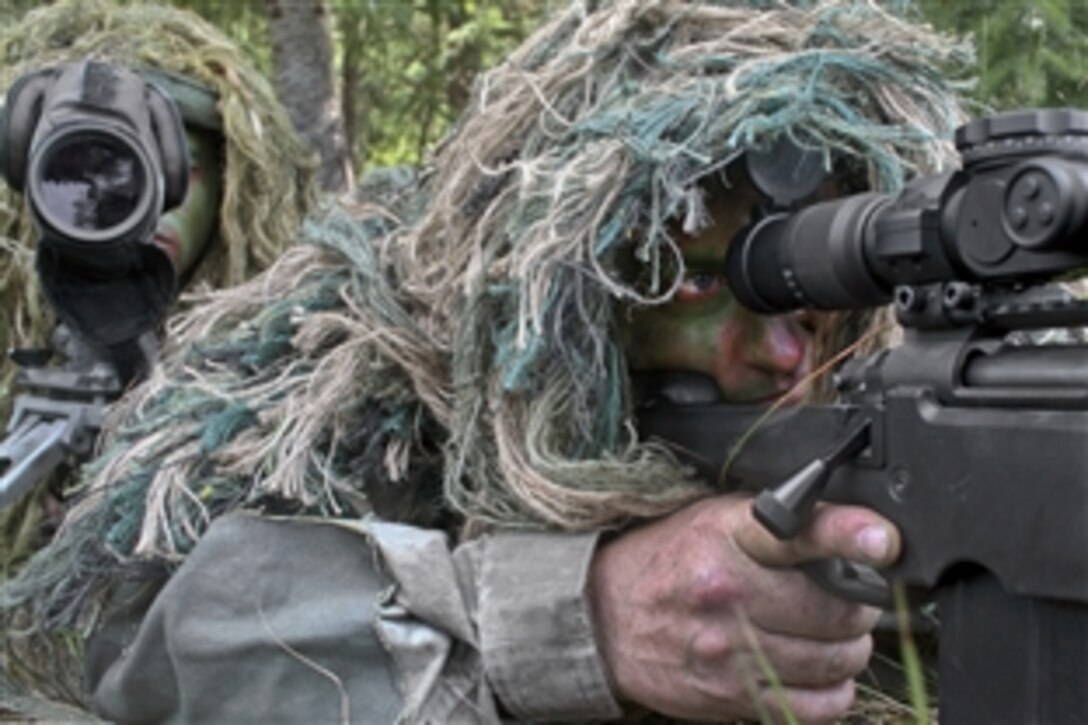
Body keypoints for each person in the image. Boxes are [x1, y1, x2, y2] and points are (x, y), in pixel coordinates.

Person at [1, 1, 970, 722]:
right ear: (562, 282)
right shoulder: (359, 367)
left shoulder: (889, 414)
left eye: (816, 299)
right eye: (695, 279)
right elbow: (147, 642)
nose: (785, 351)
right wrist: (574, 618)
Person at [0, 0, 316, 575]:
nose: (134, 207)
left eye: (176, 172)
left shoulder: (300, 352)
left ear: (232, 189)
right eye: (82, 173)